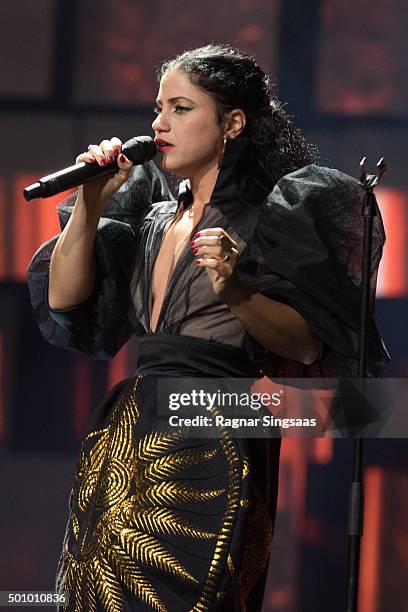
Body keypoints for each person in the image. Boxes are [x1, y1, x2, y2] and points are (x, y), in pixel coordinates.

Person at [27, 44, 389, 611]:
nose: (158, 124)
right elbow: (65, 300)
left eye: (180, 108)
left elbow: (304, 341)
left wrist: (235, 290)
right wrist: (92, 202)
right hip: (133, 429)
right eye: (157, 108)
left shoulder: (272, 215)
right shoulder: (149, 214)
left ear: (232, 123)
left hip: (215, 422)